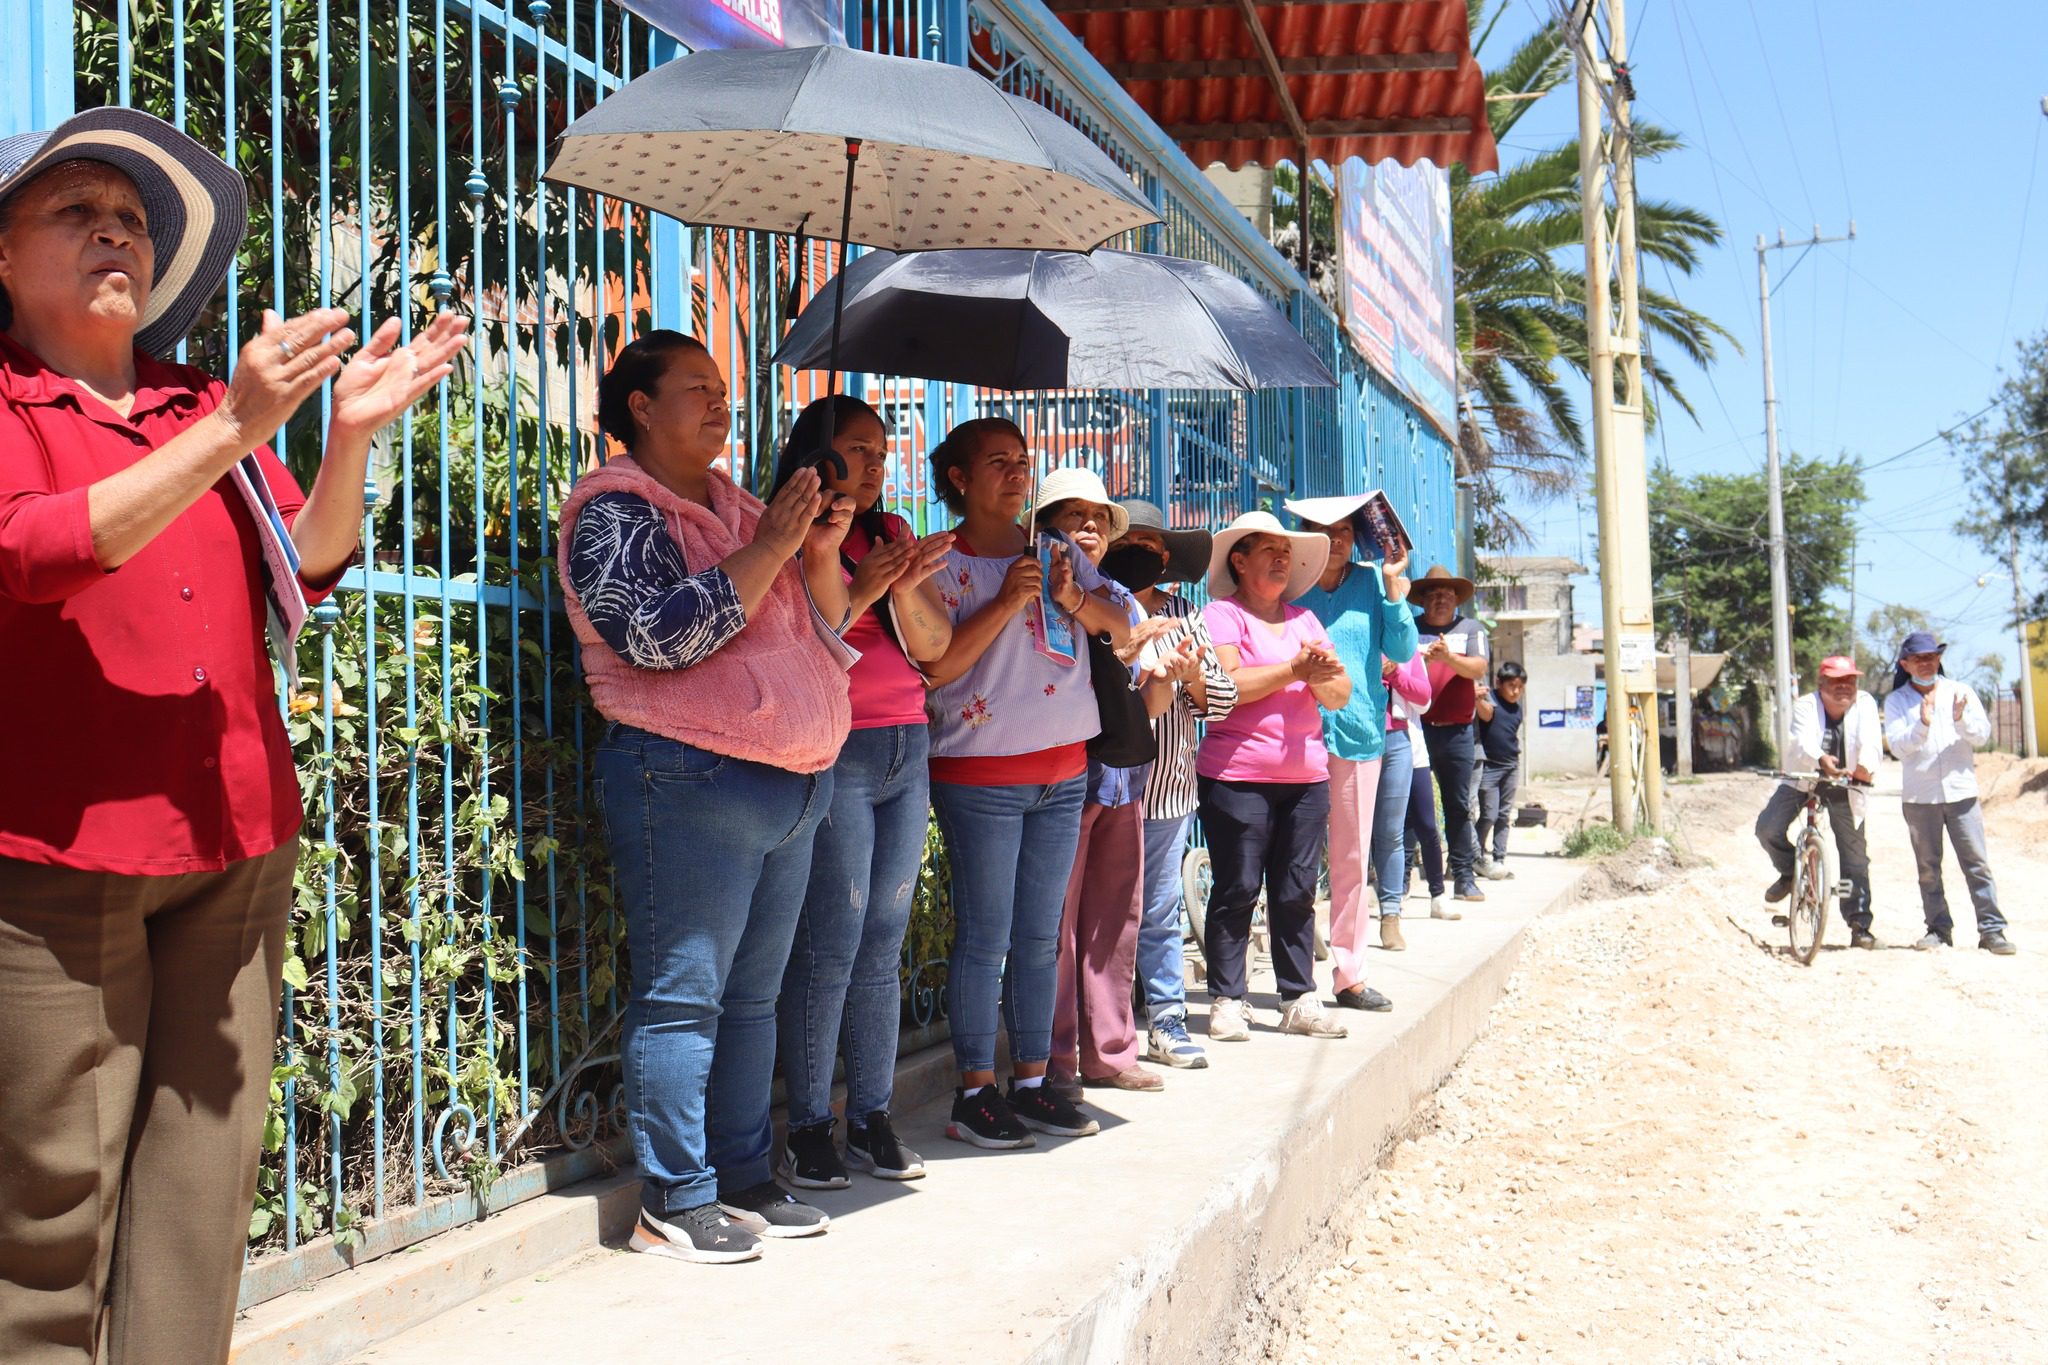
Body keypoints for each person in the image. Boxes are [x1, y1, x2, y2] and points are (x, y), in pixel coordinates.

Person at [0, 108, 466, 1361]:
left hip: (236, 841)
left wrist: (348, 436)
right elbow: (40, 552)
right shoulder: (20, 403)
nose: (114, 229)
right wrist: (235, 430)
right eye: (74, 208)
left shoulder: (193, 401)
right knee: (48, 1214)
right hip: (62, 853)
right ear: (0, 257)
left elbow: (297, 570)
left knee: (201, 1206)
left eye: (133, 219)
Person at [561, 332, 856, 1264]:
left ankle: (739, 1171)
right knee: (685, 997)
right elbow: (654, 636)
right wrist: (769, 545)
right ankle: (674, 1200)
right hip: (687, 776)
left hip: (789, 782)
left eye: (724, 387)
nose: (720, 403)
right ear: (640, 407)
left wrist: (817, 551)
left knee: (752, 998)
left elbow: (811, 629)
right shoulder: (610, 510)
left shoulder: (739, 505)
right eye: (696, 388)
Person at [921, 426, 1132, 1148]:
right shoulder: (938, 562)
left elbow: (1121, 629)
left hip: (1064, 771)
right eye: (997, 462)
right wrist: (1008, 600)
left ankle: (1035, 1082)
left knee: (1041, 939)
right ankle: (974, 1091)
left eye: (1022, 462)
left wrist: (1073, 598)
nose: (1016, 474)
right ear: (957, 477)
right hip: (979, 774)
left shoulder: (1058, 551)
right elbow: (939, 667)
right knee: (986, 938)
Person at [769, 396, 954, 1191]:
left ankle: (872, 1115)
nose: (875, 466)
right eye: (857, 450)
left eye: (882, 452)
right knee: (832, 942)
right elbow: (816, 635)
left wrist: (901, 578)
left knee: (884, 938)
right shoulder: (797, 526)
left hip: (905, 744)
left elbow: (937, 647)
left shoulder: (894, 532)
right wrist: (859, 575)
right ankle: (811, 1125)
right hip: (836, 747)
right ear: (819, 452)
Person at [1036, 471, 1194, 1097]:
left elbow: (1146, 704)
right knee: (1057, 923)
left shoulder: (1124, 600)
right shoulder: (1041, 587)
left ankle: (1109, 1050)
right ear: (1046, 523)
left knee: (1112, 919)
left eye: (1099, 516)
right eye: (1074, 515)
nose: (1090, 527)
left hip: (1123, 776)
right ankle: (1054, 1060)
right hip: (1064, 772)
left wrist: (1170, 674)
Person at [1197, 512, 1353, 1041]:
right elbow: (1228, 686)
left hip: (1305, 778)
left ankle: (1297, 998)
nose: (1282, 558)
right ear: (1238, 561)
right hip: (1235, 775)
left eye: (1286, 551)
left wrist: (1319, 677)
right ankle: (1227, 998)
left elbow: (1338, 694)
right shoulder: (1222, 615)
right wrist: (1296, 672)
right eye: (1269, 549)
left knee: (1296, 889)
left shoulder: (1306, 621)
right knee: (1237, 886)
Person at [1101, 499, 1236, 1071]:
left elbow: (1223, 701)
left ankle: (1167, 1017)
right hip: (1101, 785)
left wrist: (1193, 680)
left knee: (1157, 909)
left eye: (1154, 549)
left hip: (1167, 790)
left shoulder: (1188, 614)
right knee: (1102, 912)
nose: (1145, 557)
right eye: (1132, 546)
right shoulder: (1097, 610)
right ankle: (1104, 1024)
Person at [1286, 493, 1417, 1012]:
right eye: (1323, 529)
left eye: (1343, 529)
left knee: (1348, 860)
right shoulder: (1291, 585)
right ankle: (1292, 976)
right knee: (1291, 863)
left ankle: (1350, 973)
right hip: (1293, 739)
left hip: (1359, 735)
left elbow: (1403, 652)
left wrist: (1392, 588)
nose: (1335, 538)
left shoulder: (1370, 583)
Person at [1881, 632, 2015, 955]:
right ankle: (1938, 929)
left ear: (1939, 659)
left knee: (1977, 863)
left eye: (1931, 657)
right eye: (1918, 659)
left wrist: (1960, 718)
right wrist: (1922, 724)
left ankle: (1992, 930)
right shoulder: (1897, 701)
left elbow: (1982, 736)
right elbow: (1898, 748)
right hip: (1919, 798)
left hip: (1962, 794)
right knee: (1928, 867)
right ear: (1905, 664)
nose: (1926, 664)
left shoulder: (1961, 692)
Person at [1753, 655, 1881, 949]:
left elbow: (1872, 741)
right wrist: (1821, 759)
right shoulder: (1807, 705)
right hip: (1803, 779)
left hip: (1846, 785)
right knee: (1768, 828)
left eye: (1849, 681)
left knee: (1855, 856)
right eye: (1836, 681)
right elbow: (1800, 742)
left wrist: (1864, 766)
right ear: (1821, 683)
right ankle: (1789, 872)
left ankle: (1859, 924)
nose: (1844, 687)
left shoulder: (1866, 703)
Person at [1411, 565, 1490, 902]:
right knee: (1410, 807)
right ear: (1423, 599)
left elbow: (1478, 667)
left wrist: (1448, 657)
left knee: (1458, 808)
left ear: (1457, 598)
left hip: (1458, 734)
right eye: (1432, 592)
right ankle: (1400, 880)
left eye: (1446, 593)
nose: (1439, 598)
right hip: (1415, 731)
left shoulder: (1471, 629)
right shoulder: (1411, 629)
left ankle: (1463, 877)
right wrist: (1427, 660)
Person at [1375, 654, 1438, 948]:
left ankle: (1390, 915)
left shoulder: (1403, 642)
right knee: (1350, 835)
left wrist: (1396, 673)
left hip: (1397, 737)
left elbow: (1424, 698)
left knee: (1391, 832)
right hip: (1350, 732)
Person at [1474, 661, 1528, 880]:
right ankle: (1475, 857)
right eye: (1512, 686)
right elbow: (1486, 716)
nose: (1516, 691)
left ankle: (1499, 860)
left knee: (1504, 815)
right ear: (1499, 683)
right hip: (1489, 766)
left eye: (1520, 687)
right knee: (1488, 814)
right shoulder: (1489, 700)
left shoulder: (1517, 708)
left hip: (1510, 765)